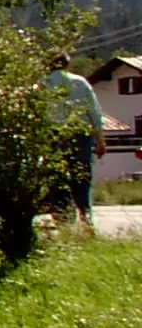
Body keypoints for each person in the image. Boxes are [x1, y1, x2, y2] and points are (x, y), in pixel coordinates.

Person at [45, 53, 106, 227]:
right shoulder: (80, 83)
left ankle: (63, 221)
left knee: (57, 179)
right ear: (67, 64)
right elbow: (94, 114)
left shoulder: (43, 85)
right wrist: (101, 141)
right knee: (82, 177)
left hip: (54, 136)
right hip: (80, 135)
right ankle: (86, 216)